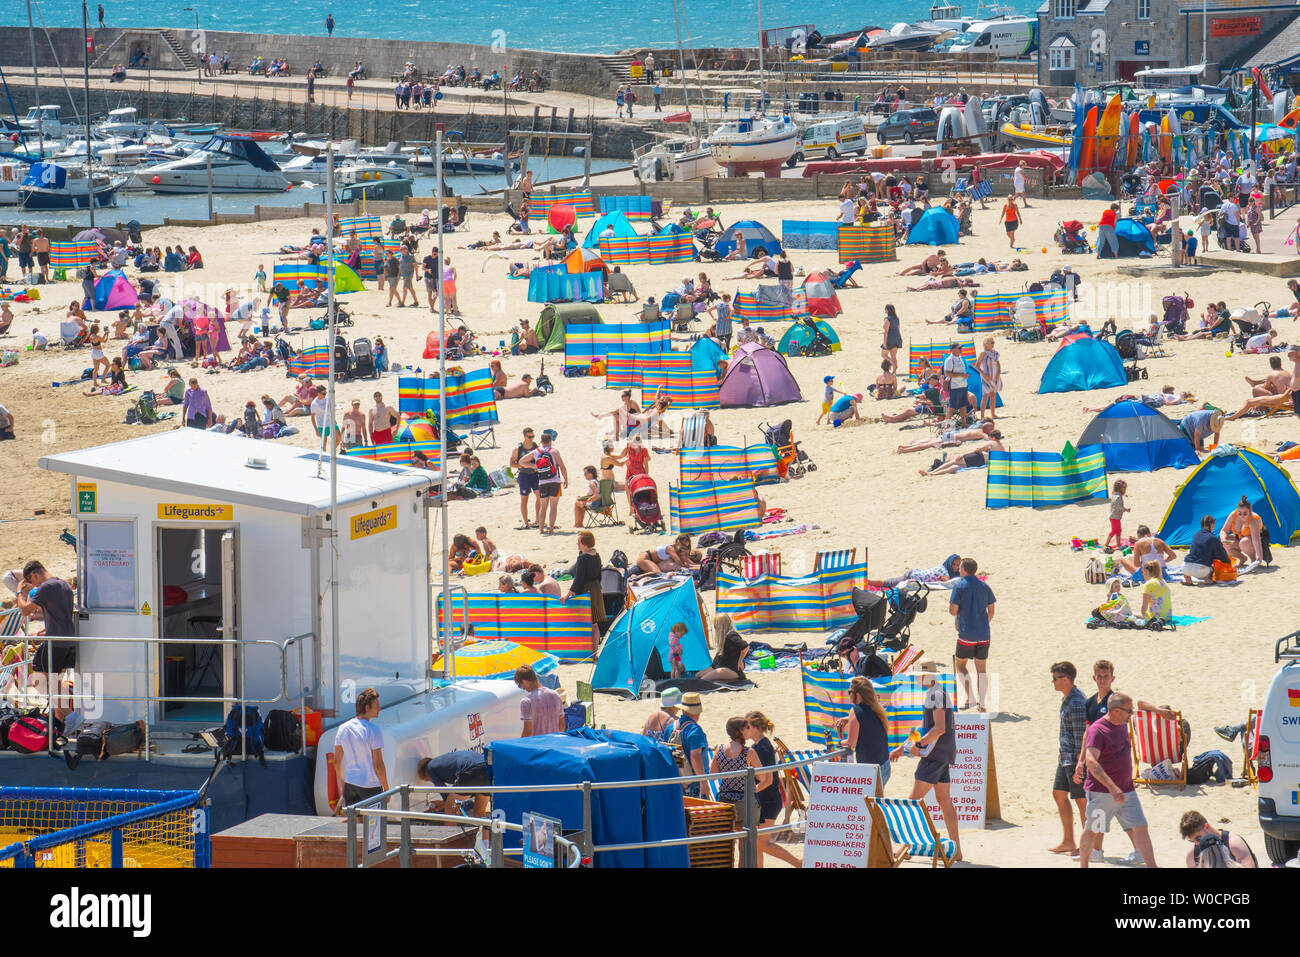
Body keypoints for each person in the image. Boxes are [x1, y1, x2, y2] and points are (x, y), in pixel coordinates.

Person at [889, 662, 962, 862]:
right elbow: (926, 728)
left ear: (928, 676)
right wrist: (903, 747)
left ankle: (904, 848)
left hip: (934, 755)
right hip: (943, 754)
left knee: (912, 802)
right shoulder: (938, 692)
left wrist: (918, 745)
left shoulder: (935, 694)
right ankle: (957, 849)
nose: (915, 679)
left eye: (918, 675)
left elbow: (938, 729)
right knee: (944, 801)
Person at [1077, 692, 1157, 868]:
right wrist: (1112, 787)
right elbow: (1091, 761)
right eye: (1129, 711)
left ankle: (1152, 866)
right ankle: (1084, 865)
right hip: (1102, 793)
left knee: (1140, 827)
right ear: (1116, 711)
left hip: (1127, 791)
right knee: (1092, 830)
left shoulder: (1121, 725)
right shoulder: (1098, 730)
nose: (1132, 714)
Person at [1050, 661, 1090, 856]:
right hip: (1065, 756)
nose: (1053, 682)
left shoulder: (1075, 702)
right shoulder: (1068, 697)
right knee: (1059, 794)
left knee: (1081, 800)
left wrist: (1079, 764)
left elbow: (1081, 735)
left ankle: (1086, 845)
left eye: (1055, 678)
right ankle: (1068, 840)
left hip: (1075, 759)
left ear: (1065, 679)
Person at [15, 560, 77, 678]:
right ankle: (60, 697)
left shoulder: (46, 587)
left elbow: (25, 611)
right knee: (56, 684)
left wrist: (18, 592)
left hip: (54, 642)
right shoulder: (65, 585)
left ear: (34, 575)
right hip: (69, 641)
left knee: (39, 680)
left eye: (30, 580)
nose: (33, 584)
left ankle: (56, 697)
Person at [949, 558, 995, 711]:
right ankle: (982, 704)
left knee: (960, 665)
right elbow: (992, 610)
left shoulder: (959, 586)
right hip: (983, 633)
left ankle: (971, 698)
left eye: (960, 567)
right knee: (981, 669)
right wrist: (983, 623)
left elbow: (952, 610)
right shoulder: (984, 586)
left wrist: (959, 619)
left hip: (966, 634)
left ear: (964, 570)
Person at [332, 687, 388, 811]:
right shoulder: (374, 730)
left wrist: (343, 786)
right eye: (377, 705)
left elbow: (337, 761)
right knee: (375, 827)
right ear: (367, 708)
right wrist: (386, 788)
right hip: (371, 785)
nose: (379, 709)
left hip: (351, 784)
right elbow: (378, 765)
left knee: (354, 825)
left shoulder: (343, 728)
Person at [711, 716, 769, 827]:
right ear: (738, 732)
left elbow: (713, 775)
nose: (749, 730)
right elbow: (762, 777)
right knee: (747, 841)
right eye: (746, 728)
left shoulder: (720, 749)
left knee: (728, 840)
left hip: (725, 801)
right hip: (746, 802)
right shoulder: (748, 752)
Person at [517, 428, 567, 534]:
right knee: (553, 506)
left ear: (541, 441)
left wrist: (534, 466)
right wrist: (566, 479)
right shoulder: (554, 451)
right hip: (555, 481)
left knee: (543, 507)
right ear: (550, 441)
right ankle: (551, 529)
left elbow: (521, 462)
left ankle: (540, 530)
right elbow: (562, 466)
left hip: (542, 481)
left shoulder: (536, 452)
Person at [417, 750, 491, 819]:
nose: (430, 781)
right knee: (480, 813)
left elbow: (444, 792)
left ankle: (451, 831)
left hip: (471, 770)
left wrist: (443, 804)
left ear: (426, 773)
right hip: (486, 768)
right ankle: (485, 833)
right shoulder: (441, 763)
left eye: (427, 779)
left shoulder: (429, 768)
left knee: (449, 809)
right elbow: (470, 793)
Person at [844, 676, 890, 779]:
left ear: (858, 694)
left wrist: (838, 742)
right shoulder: (876, 707)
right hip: (885, 765)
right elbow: (866, 718)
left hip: (871, 770)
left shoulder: (855, 711)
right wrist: (849, 719)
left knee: (864, 796)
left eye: (849, 691)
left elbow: (851, 743)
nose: (849, 695)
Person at [1179, 810, 1256, 867]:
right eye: (1192, 841)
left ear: (1207, 827)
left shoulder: (1232, 843)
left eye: (1199, 839)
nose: (1197, 844)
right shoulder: (1192, 855)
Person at [671, 693, 708, 797]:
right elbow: (695, 756)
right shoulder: (695, 730)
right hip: (694, 783)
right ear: (697, 712)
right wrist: (703, 783)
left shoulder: (671, 727)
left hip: (677, 781)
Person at [514, 665, 563, 736]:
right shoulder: (555, 695)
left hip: (537, 745)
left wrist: (521, 745)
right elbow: (561, 724)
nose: (523, 688)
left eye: (520, 685)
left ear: (524, 681)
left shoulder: (527, 701)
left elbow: (528, 731)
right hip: (554, 742)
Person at [1183, 514, 1231, 584]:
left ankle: (1187, 578)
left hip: (1185, 567)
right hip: (1201, 571)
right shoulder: (1213, 538)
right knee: (1211, 567)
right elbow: (1222, 555)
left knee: (1192, 564)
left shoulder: (1196, 534)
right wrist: (1228, 562)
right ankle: (1207, 579)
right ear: (1211, 525)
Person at [698, 613, 747, 682]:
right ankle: (725, 680)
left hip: (732, 669)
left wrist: (740, 661)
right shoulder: (724, 637)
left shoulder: (731, 635)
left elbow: (745, 646)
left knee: (704, 679)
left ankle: (732, 679)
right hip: (722, 666)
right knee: (698, 675)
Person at [1220, 495, 1264, 569]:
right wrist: (1224, 540)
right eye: (1240, 513)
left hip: (1253, 540)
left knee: (1244, 542)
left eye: (1245, 513)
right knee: (1225, 543)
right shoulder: (1233, 515)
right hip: (1239, 538)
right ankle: (1242, 558)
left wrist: (1260, 557)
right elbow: (1224, 530)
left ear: (1250, 511)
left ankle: (1253, 559)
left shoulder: (1253, 520)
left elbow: (1256, 540)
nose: (1242, 516)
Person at [510, 427, 540, 528]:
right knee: (524, 499)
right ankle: (526, 522)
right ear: (524, 436)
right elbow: (512, 464)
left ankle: (538, 520)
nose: (531, 438)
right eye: (529, 436)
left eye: (533, 436)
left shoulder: (536, 447)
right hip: (524, 475)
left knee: (539, 497)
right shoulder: (518, 449)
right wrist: (524, 465)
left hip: (535, 475)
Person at [942, 341, 970, 426]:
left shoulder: (960, 358)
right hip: (955, 386)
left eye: (961, 348)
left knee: (963, 405)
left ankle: (964, 423)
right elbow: (947, 374)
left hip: (962, 385)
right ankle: (946, 425)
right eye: (959, 348)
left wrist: (964, 376)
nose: (961, 350)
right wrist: (962, 375)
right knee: (952, 407)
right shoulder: (949, 360)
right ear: (952, 350)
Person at [1104, 479, 1129, 551]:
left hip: (1115, 517)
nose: (1125, 490)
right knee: (1114, 531)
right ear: (1121, 489)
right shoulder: (1118, 496)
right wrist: (1125, 509)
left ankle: (1118, 544)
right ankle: (1106, 543)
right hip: (1115, 517)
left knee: (1118, 530)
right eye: (1124, 488)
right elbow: (1118, 506)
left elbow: (1114, 505)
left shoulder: (1115, 495)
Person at [881, 304, 903, 373]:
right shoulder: (897, 318)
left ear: (887, 310)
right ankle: (894, 371)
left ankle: (893, 364)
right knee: (893, 356)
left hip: (890, 338)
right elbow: (898, 329)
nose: (885, 311)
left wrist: (884, 343)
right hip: (897, 337)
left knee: (883, 354)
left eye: (885, 309)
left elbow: (886, 332)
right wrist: (900, 339)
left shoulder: (887, 319)